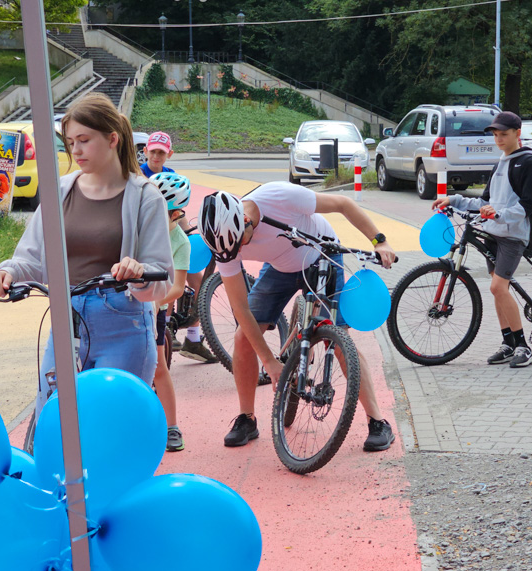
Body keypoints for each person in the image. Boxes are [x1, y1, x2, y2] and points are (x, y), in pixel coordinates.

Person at [0, 93, 174, 416]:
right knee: (54, 423)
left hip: (123, 325)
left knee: (110, 428)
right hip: (65, 321)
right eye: (70, 142)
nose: (76, 150)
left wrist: (138, 272)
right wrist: (8, 272)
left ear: (113, 139)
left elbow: (161, 279)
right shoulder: (60, 191)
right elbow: (32, 257)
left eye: (84, 140)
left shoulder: (145, 196)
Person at [198, 183, 398, 451]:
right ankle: (247, 419)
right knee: (242, 336)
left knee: (338, 342)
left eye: (240, 244)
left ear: (246, 220)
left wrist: (380, 240)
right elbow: (241, 310)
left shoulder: (279, 197)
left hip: (321, 252)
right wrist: (269, 362)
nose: (238, 252)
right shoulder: (223, 244)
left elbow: (343, 204)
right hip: (280, 266)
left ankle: (378, 421)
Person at [432, 111, 532, 368]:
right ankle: (508, 344)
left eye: (503, 134)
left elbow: (528, 206)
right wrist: (455, 198)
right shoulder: (500, 163)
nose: (498, 139)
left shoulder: (528, 163)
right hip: (495, 232)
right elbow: (484, 202)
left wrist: (500, 213)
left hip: (513, 236)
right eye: (495, 135)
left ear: (518, 134)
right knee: (498, 289)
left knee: (497, 287)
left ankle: (523, 347)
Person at [139, 131, 216, 363]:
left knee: (200, 284)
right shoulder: (138, 174)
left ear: (168, 154)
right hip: (152, 235)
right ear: (145, 151)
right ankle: (165, 334)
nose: (156, 156)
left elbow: (178, 210)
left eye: (161, 152)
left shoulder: (171, 175)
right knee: (169, 281)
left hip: (171, 232)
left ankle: (193, 338)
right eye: (152, 151)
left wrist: (186, 232)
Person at [149, 172, 193, 452]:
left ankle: (171, 427)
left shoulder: (181, 243)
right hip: (122, 305)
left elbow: (178, 287)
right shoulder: (140, 228)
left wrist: (154, 303)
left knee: (159, 368)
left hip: (154, 309)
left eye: (158, 212)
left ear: (176, 214)